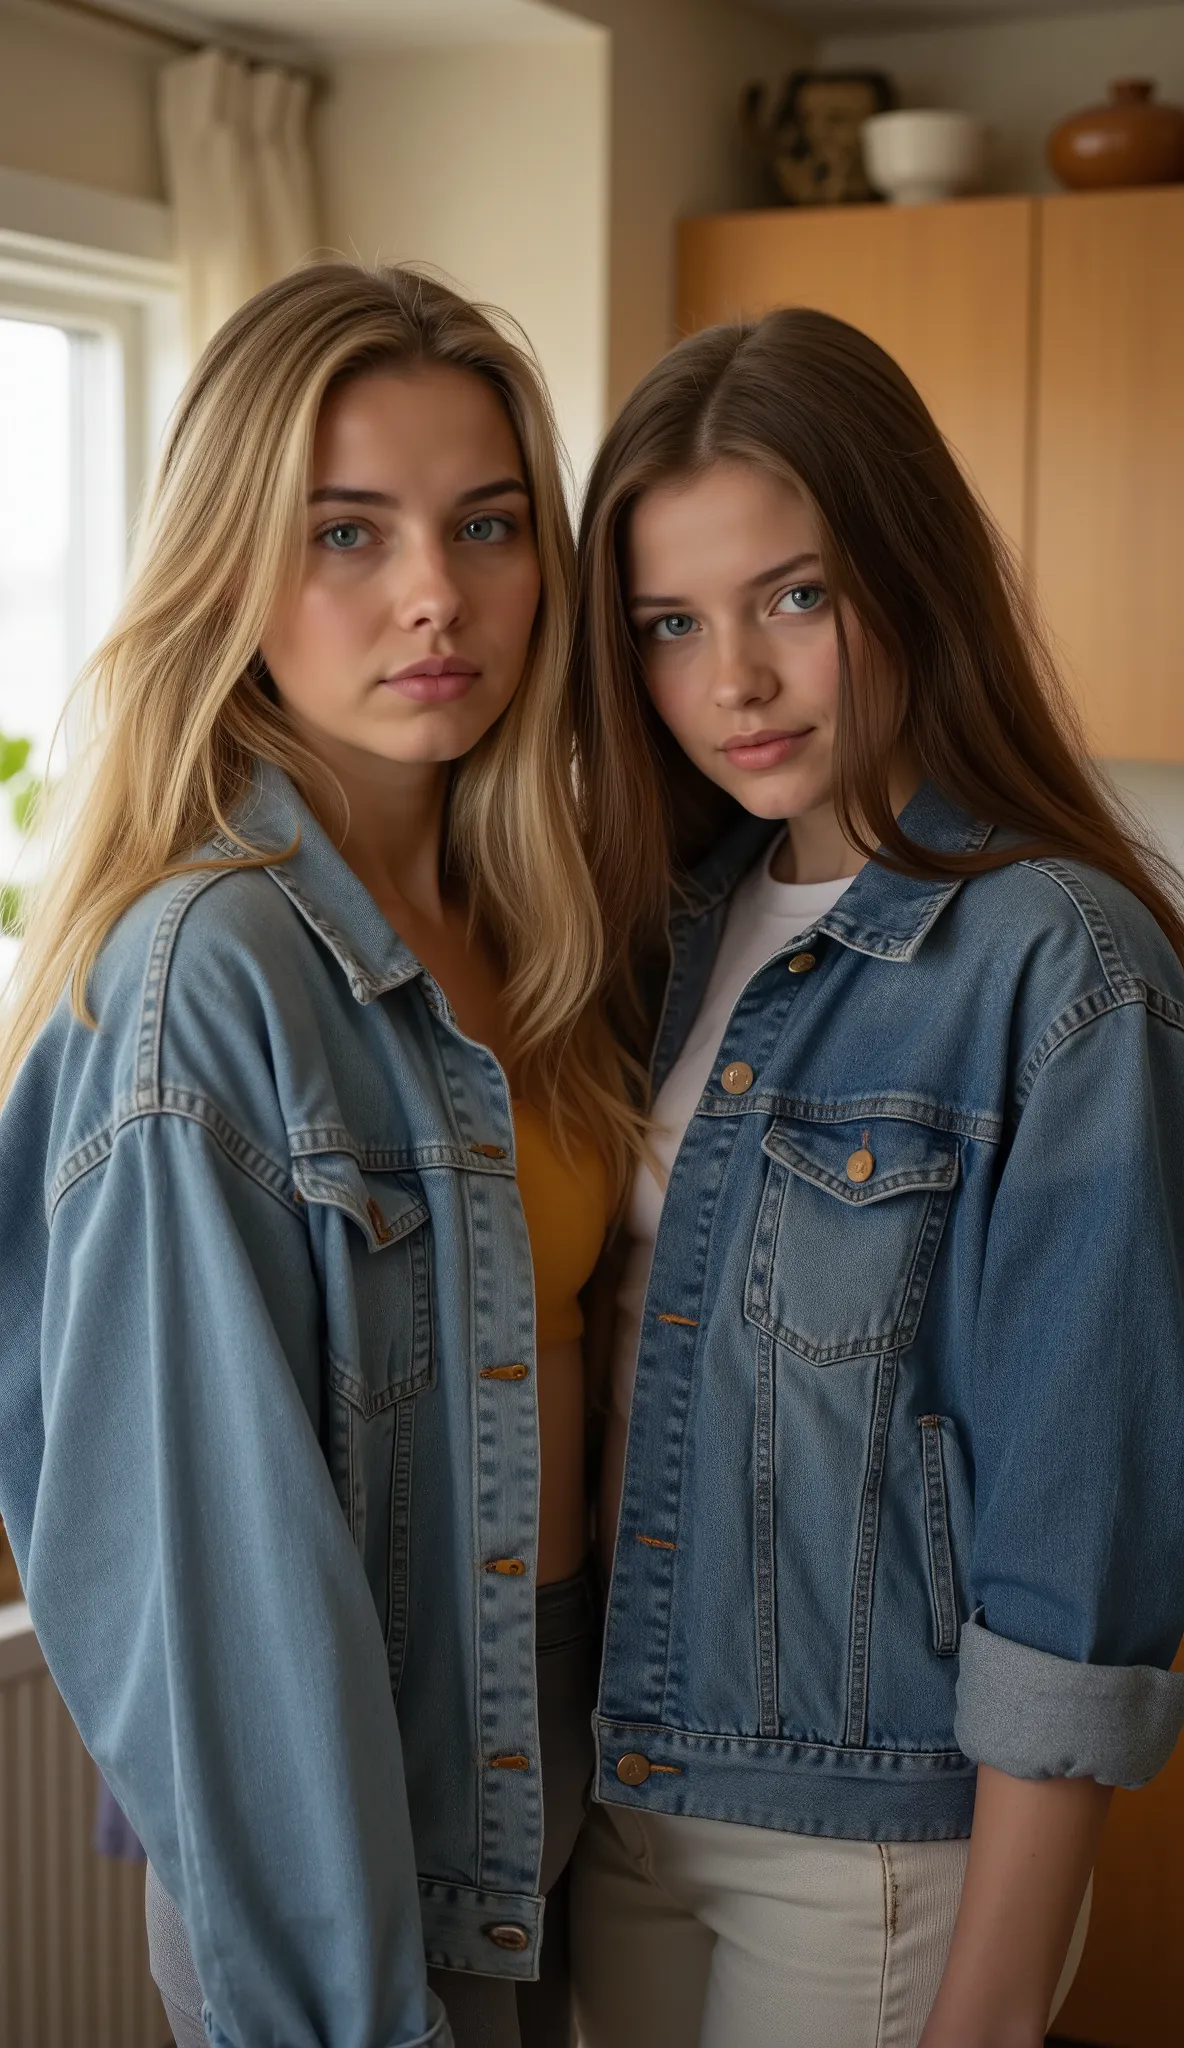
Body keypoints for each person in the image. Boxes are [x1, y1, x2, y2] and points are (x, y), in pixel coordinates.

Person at [0, 262, 642, 2048]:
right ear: (230, 570)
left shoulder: (544, 922)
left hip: (572, 1755)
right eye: (344, 531)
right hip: (367, 1852)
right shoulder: (208, 982)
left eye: (487, 524)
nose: (436, 594)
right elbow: (220, 1605)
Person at [566, 307, 1184, 2048]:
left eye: (794, 596)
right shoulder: (666, 937)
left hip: (876, 1857)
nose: (732, 682)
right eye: (669, 627)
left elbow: (1082, 1532)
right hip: (630, 1796)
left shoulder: (1063, 966)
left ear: (909, 573)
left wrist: (991, 2001)